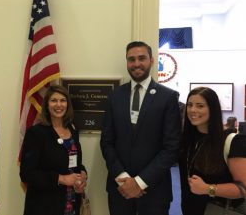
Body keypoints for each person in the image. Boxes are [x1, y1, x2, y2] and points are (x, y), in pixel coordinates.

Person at [100, 41, 182, 215]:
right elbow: (107, 142)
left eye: (142, 58)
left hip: (155, 190)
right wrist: (123, 178)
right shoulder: (114, 97)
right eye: (131, 59)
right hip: (120, 189)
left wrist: (139, 182)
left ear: (152, 60)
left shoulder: (168, 98)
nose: (136, 64)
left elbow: (171, 147)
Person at [20, 85, 87, 215]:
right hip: (44, 206)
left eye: (63, 100)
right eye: (53, 100)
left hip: (71, 202)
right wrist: (61, 179)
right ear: (46, 105)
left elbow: (73, 162)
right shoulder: (36, 133)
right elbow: (26, 173)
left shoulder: (72, 130)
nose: (59, 104)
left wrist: (83, 173)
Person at [179, 87, 246, 215]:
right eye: (190, 105)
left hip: (219, 210)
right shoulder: (187, 139)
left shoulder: (231, 141)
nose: (193, 110)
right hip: (190, 209)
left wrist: (207, 189)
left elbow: (243, 188)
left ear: (212, 109)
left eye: (200, 106)